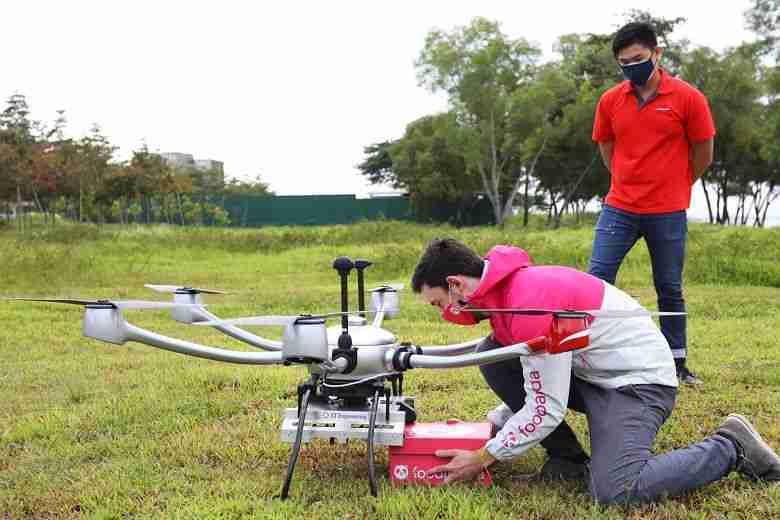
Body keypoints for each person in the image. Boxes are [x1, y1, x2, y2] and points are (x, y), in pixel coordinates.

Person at [412, 238, 780, 505]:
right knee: (492, 352)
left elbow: (546, 406)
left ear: (456, 285)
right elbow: (527, 373)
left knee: (617, 490)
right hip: (594, 374)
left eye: (440, 304)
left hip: (638, 385)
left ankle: (731, 446)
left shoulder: (531, 305)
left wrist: (485, 455)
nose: (445, 313)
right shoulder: (509, 295)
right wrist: (495, 423)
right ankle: (567, 462)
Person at [590, 22, 715, 385]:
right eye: (624, 62)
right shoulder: (611, 100)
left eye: (639, 59)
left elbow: (703, 151)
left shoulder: (689, 98)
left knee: (669, 287)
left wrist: (677, 183)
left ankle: (677, 362)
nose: (632, 67)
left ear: (657, 54)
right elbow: (606, 145)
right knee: (597, 282)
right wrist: (624, 180)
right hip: (620, 207)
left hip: (668, 210)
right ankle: (592, 357)